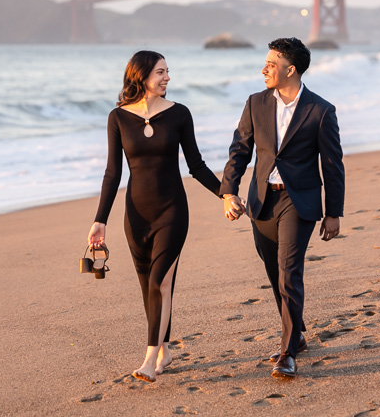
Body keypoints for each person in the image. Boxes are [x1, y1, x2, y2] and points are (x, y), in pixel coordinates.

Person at [87, 50, 221, 383]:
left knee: (160, 281)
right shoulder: (118, 118)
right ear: (141, 75)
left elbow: (196, 165)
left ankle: (149, 358)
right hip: (136, 214)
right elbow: (112, 173)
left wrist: (226, 193)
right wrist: (100, 220)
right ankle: (165, 350)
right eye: (161, 72)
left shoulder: (179, 114)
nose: (167, 78)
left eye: (167, 71)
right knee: (150, 286)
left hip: (172, 210)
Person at [220, 37, 345, 379]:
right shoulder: (255, 103)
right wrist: (228, 192)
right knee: (275, 272)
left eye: (271, 64)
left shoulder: (321, 110)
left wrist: (333, 212)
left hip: (298, 201)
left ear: (290, 70)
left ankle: (288, 352)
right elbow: (239, 150)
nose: (264, 69)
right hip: (261, 201)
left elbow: (332, 165)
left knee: (290, 272)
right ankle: (297, 334)